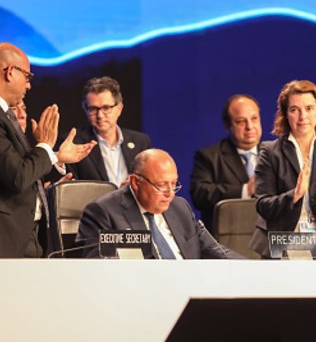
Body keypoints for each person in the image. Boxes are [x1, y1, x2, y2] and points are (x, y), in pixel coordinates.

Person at [0, 42, 95, 258]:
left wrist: (55, 156)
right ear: (11, 72)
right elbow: (17, 176)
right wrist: (45, 146)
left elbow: (21, 168)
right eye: (28, 77)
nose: (29, 86)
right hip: (1, 236)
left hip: (22, 234)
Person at [76, 149, 242, 259]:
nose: (170, 193)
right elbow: (97, 266)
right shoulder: (104, 211)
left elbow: (216, 250)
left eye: (174, 183)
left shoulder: (180, 207)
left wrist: (254, 269)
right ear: (135, 182)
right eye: (161, 185)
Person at [249, 80, 316, 259]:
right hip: (284, 240)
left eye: (309, 108)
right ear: (286, 114)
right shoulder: (271, 151)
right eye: (295, 110)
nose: (303, 116)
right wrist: (294, 195)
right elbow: (262, 204)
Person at [190, 94, 263, 229]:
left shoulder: (275, 154)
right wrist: (246, 190)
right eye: (241, 121)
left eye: (254, 119)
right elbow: (200, 194)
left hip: (268, 238)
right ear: (227, 125)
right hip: (228, 238)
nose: (250, 126)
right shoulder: (209, 157)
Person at [67, 76, 151, 186]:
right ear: (85, 110)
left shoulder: (141, 142)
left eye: (106, 108)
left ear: (119, 108)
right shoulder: (75, 144)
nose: (100, 115)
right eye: (93, 109)